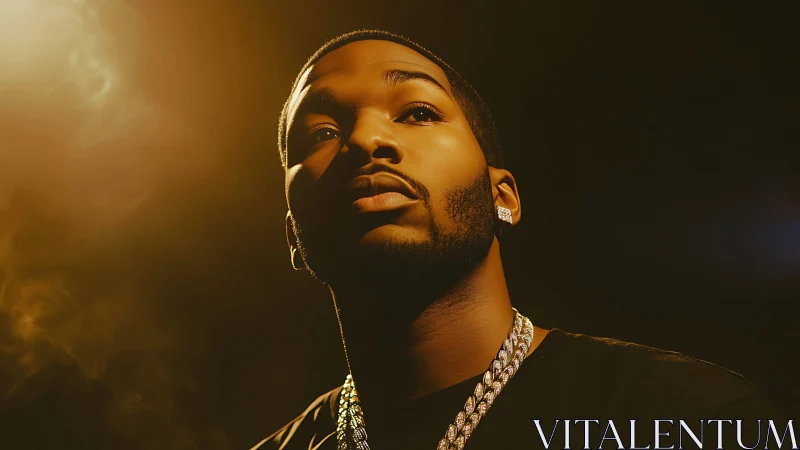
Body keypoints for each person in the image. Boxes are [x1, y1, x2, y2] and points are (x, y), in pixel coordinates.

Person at [252, 30, 786, 450]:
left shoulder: (691, 417)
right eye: (321, 133)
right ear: (294, 236)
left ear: (501, 195)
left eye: (417, 112)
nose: (367, 140)